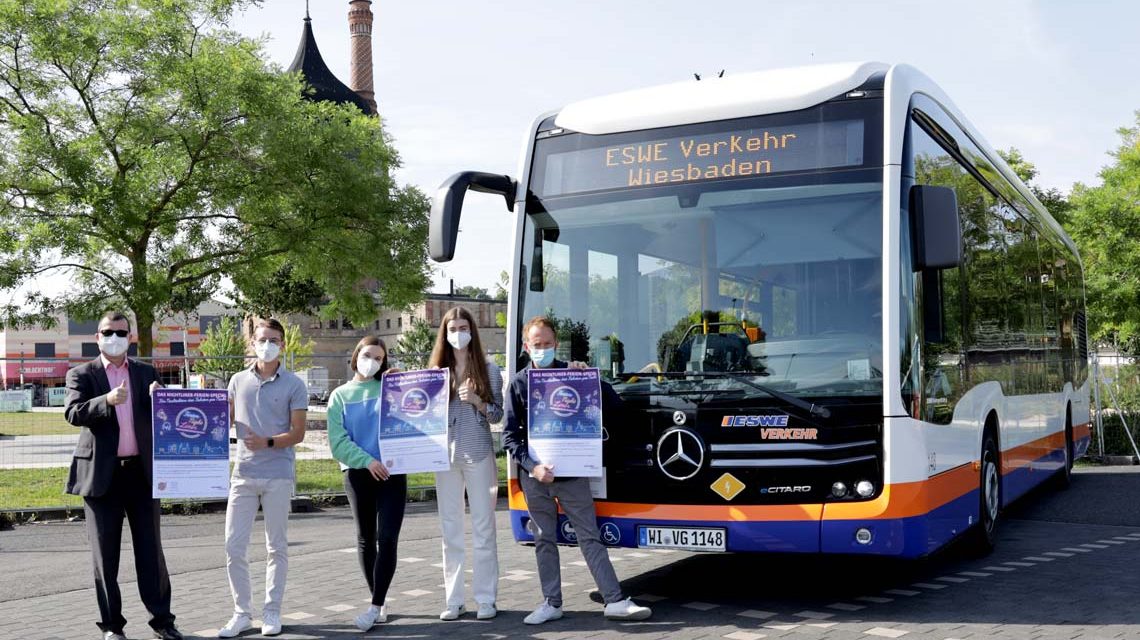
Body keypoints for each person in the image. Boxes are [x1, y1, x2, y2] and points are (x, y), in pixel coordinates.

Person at [502, 316, 652, 625]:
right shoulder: (518, 384)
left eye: (547, 344)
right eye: (536, 344)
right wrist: (532, 467)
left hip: (572, 476)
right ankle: (551, 603)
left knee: (589, 536)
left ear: (555, 344)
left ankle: (615, 601)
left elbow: (615, 408)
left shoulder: (572, 374)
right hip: (536, 478)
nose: (541, 349)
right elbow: (509, 436)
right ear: (526, 346)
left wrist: (591, 379)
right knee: (543, 539)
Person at [64, 311, 183, 640]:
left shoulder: (146, 372)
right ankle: (112, 627)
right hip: (102, 478)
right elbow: (72, 413)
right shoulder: (81, 374)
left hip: (142, 476)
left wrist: (163, 398)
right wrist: (105, 400)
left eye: (120, 332)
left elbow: (165, 418)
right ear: (97, 337)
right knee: (105, 558)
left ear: (130, 337)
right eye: (108, 331)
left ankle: (163, 621)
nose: (114, 337)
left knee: (151, 553)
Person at [217, 318, 308, 638]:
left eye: (273, 339)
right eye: (261, 339)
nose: (266, 344)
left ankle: (271, 612)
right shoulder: (237, 380)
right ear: (252, 342)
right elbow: (219, 420)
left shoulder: (294, 384)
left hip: (278, 475)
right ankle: (242, 613)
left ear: (283, 344)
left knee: (276, 548)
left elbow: (298, 433)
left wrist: (267, 442)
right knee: (233, 546)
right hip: (243, 474)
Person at [428, 307, 504, 621]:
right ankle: (454, 599)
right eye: (452, 327)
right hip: (445, 456)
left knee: (484, 529)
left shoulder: (489, 368)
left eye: (463, 326)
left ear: (472, 330)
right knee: (451, 529)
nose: (458, 332)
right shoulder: (435, 371)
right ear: (444, 333)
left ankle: (486, 599)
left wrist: (476, 400)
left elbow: (498, 414)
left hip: (479, 453)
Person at [327, 336, 407, 632]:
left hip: (392, 473)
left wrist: (403, 383)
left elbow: (417, 409)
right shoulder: (340, 396)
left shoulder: (390, 388)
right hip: (360, 473)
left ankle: (375, 604)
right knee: (366, 538)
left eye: (378, 358)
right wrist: (367, 461)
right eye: (367, 355)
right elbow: (338, 443)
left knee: (387, 538)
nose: (371, 361)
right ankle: (380, 600)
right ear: (356, 355)